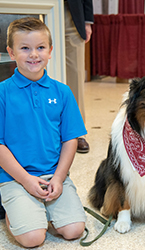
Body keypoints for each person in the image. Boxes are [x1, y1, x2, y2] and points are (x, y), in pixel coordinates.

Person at [0, 17, 87, 248]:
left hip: (53, 174)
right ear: (11, 52)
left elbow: (70, 140)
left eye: (40, 48)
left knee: (74, 230)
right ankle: (13, 211)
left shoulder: (63, 92)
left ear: (50, 51)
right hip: (15, 178)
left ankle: (38, 209)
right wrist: (26, 181)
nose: (34, 55)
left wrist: (59, 178)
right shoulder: (2, 93)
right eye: (25, 48)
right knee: (33, 239)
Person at [64, 0, 94, 153]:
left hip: (71, 12)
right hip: (38, 9)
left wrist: (87, 21)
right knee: (38, 70)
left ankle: (78, 132)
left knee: (75, 75)